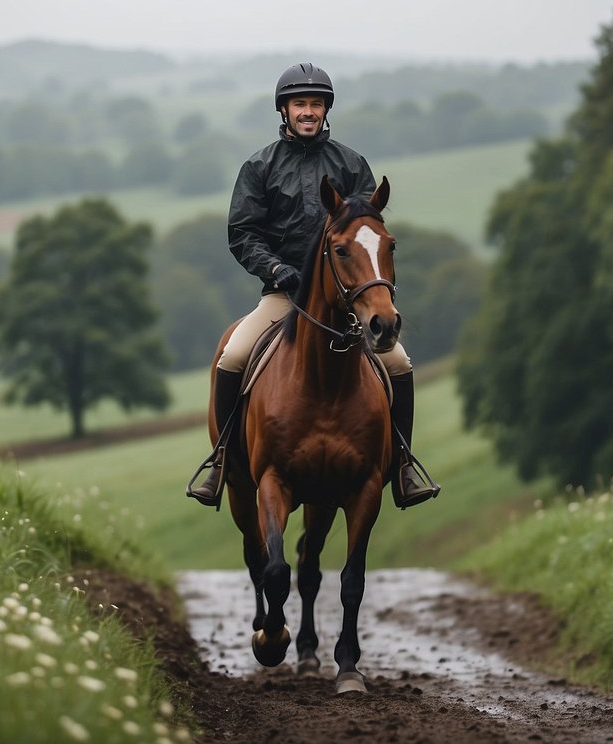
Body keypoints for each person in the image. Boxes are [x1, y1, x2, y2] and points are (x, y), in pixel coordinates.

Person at [186, 62, 438, 510]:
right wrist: (276, 269)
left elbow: (367, 230)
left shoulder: (351, 164)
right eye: (300, 104)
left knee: (398, 362)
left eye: (315, 104)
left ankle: (402, 465)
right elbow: (242, 232)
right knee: (234, 354)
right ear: (284, 110)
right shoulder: (259, 167)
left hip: (346, 300)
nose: (308, 111)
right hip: (284, 295)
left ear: (326, 110)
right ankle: (223, 460)